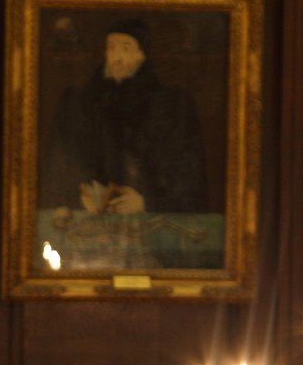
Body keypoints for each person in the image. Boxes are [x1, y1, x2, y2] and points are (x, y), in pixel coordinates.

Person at [43, 17, 207, 217]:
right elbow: (63, 168)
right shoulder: (82, 103)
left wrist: (147, 202)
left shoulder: (169, 105)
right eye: (111, 48)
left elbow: (187, 177)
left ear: (141, 55)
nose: (116, 58)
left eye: (126, 48)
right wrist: (80, 199)